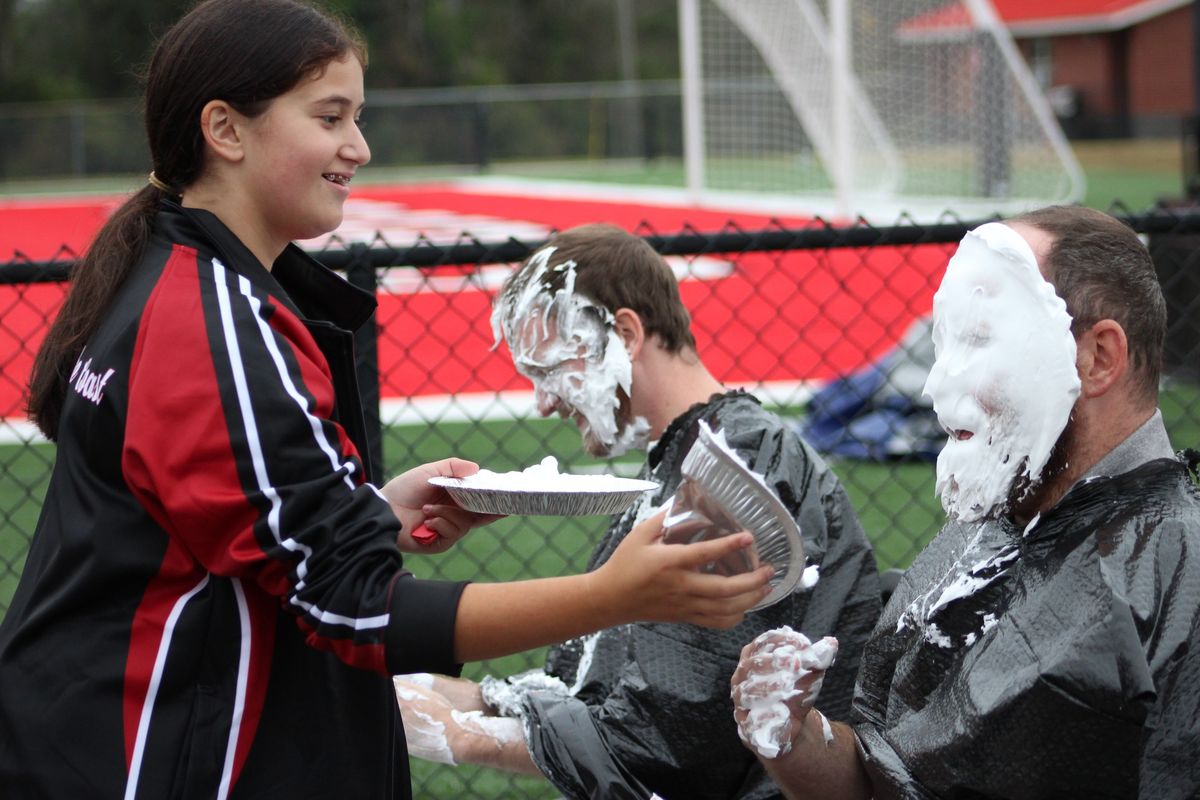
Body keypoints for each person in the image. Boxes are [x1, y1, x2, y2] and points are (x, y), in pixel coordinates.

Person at [0, 4, 775, 798]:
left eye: (358, 118)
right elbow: (352, 608)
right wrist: (611, 596)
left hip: (86, 728)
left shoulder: (169, 277)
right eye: (329, 117)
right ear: (225, 131)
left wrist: (365, 511)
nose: (358, 148)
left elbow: (224, 521)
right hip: (142, 754)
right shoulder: (212, 325)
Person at [393, 223, 882, 799]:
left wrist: (459, 733)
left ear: (624, 333)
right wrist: (440, 691)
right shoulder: (692, 453)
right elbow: (592, 689)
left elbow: (674, 743)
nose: (544, 402)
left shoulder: (738, 466)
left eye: (550, 370)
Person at [730, 205, 1200, 799]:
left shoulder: (1179, 578)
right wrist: (794, 736)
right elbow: (885, 778)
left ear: (1098, 358)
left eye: (977, 341)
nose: (935, 383)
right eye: (943, 343)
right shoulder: (995, 525)